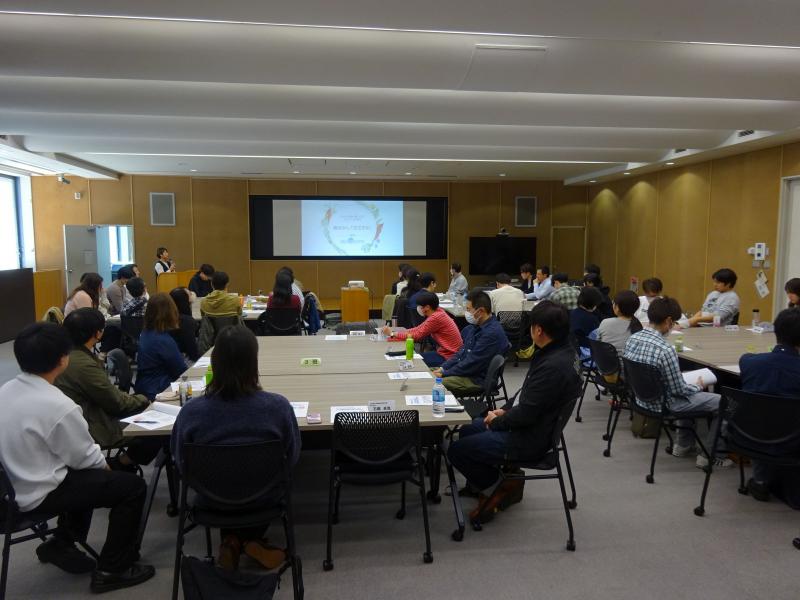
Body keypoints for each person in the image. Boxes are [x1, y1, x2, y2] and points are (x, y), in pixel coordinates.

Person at [0, 323, 154, 592]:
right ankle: (112, 569)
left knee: (86, 478)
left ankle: (61, 542)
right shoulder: (59, 406)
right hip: (36, 494)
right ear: (63, 359)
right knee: (132, 487)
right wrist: (110, 469)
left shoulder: (5, 390)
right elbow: (86, 459)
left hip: (9, 491)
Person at [171, 325, 301, 571]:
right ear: (254, 364)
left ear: (214, 363)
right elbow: (292, 456)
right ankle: (249, 541)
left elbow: (179, 461)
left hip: (210, 499)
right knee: (260, 481)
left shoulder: (191, 413)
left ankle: (232, 540)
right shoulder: (278, 408)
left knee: (231, 480)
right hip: (265, 498)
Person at [447, 301, 581, 522]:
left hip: (531, 437)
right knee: (468, 430)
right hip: (535, 424)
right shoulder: (562, 351)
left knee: (457, 451)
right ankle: (499, 479)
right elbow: (527, 393)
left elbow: (527, 414)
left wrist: (496, 421)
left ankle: (497, 488)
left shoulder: (553, 366)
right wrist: (503, 410)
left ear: (538, 330)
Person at [623, 297, 732, 469]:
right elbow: (679, 390)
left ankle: (682, 445)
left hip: (641, 399)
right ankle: (711, 455)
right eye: (673, 323)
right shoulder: (666, 350)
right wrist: (698, 385)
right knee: (723, 402)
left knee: (684, 385)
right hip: (664, 404)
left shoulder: (632, 339)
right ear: (668, 321)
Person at [56, 308, 161, 468]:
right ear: (98, 333)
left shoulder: (66, 355)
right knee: (159, 426)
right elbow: (116, 402)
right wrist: (144, 399)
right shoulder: (83, 365)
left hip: (84, 417)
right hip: (93, 424)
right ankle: (121, 463)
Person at [739, 308, 800, 507]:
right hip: (792, 440)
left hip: (748, 435)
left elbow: (746, 358)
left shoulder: (749, 363)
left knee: (766, 415)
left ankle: (760, 481)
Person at [432, 290, 510, 396]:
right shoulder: (477, 326)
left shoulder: (491, 334)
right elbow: (461, 353)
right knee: (426, 372)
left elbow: (471, 364)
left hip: (475, 379)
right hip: (466, 372)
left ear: (481, 311)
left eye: (468, 309)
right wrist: (443, 368)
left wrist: (444, 373)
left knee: (432, 383)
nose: (466, 313)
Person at [381, 291, 463, 368]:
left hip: (449, 357)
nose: (418, 308)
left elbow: (417, 335)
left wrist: (392, 334)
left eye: (420, 306)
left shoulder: (436, 317)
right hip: (446, 353)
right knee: (410, 358)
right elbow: (418, 329)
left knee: (411, 361)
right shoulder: (438, 312)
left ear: (427, 307)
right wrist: (395, 333)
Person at [134, 293, 186, 399]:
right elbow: (181, 370)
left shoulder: (145, 333)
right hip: (159, 388)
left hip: (145, 385)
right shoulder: (163, 340)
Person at [597, 290, 643, 355]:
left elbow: (598, 343)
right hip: (626, 361)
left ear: (617, 307)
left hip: (604, 360)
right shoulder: (638, 328)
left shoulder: (605, 322)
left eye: (613, 302)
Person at [169, 287, 201, 361]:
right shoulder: (186, 321)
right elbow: (192, 351)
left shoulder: (166, 317)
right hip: (181, 359)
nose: (192, 294)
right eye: (189, 294)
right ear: (184, 300)